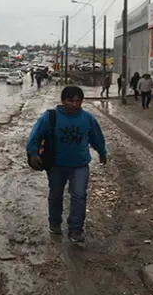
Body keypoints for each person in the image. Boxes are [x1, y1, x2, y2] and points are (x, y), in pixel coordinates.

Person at [26, 86, 107, 244]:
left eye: (78, 101)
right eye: (70, 100)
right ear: (63, 101)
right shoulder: (50, 117)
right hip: (56, 165)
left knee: (79, 195)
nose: (74, 104)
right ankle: (55, 222)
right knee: (56, 195)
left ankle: (75, 230)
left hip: (80, 165)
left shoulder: (87, 118)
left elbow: (96, 136)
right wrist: (33, 153)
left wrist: (102, 152)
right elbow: (35, 135)